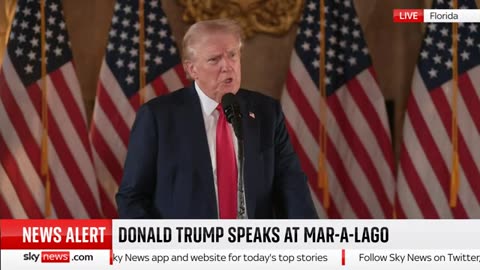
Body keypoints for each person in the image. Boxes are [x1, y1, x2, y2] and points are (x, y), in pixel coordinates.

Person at [116, 19, 317, 219]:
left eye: (232, 56)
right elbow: (132, 197)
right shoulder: (158, 117)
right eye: (214, 60)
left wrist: (312, 244)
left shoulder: (266, 112)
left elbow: (291, 185)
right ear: (192, 69)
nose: (227, 66)